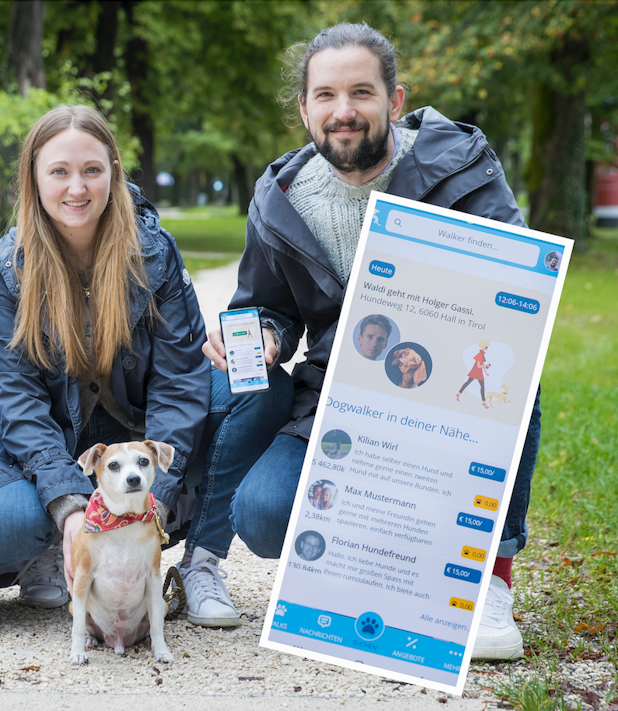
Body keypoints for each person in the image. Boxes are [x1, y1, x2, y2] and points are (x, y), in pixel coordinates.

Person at [195, 22, 541, 660]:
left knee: (514, 370)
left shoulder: (460, 170)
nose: (343, 111)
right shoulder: (281, 197)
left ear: (396, 101)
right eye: (325, 96)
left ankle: (491, 578)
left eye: (361, 92)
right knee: (264, 515)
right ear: (304, 110)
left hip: (443, 389)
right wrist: (265, 334)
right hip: (338, 393)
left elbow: (516, 286)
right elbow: (266, 305)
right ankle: (378, 559)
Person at [0, 105, 213, 629]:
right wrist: (69, 507)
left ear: (113, 170)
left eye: (92, 170)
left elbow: (182, 381)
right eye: (59, 172)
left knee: (227, 390)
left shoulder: (154, 253)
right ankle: (51, 544)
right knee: (8, 523)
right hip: (37, 442)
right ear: (34, 178)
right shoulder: (4, 265)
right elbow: (14, 396)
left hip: (128, 446)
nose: (77, 188)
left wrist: (150, 498)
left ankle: (197, 563)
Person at [458, 339, 492, 406]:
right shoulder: (480, 354)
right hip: (476, 372)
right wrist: (485, 365)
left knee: (478, 385)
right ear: (483, 346)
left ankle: (483, 401)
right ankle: (483, 402)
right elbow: (479, 366)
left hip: (478, 372)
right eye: (486, 347)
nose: (487, 348)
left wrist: (486, 372)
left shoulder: (482, 354)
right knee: (475, 385)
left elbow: (481, 365)